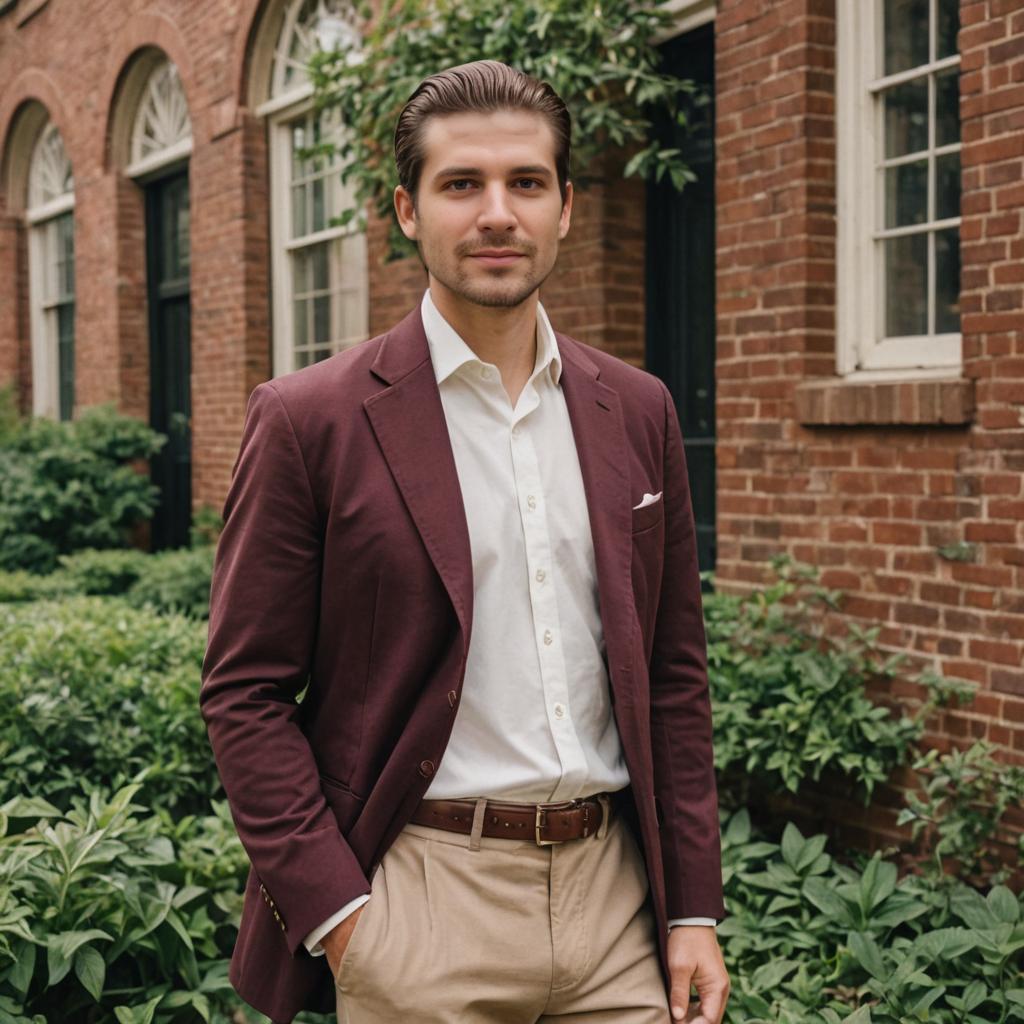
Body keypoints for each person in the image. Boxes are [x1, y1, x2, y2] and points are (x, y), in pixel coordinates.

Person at [200, 59, 729, 1024]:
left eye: (526, 183)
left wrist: (693, 906)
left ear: (565, 206)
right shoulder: (311, 420)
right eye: (461, 185)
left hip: (617, 908)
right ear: (408, 209)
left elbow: (673, 675)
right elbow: (244, 693)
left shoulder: (639, 410)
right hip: (422, 902)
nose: (497, 213)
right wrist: (343, 917)